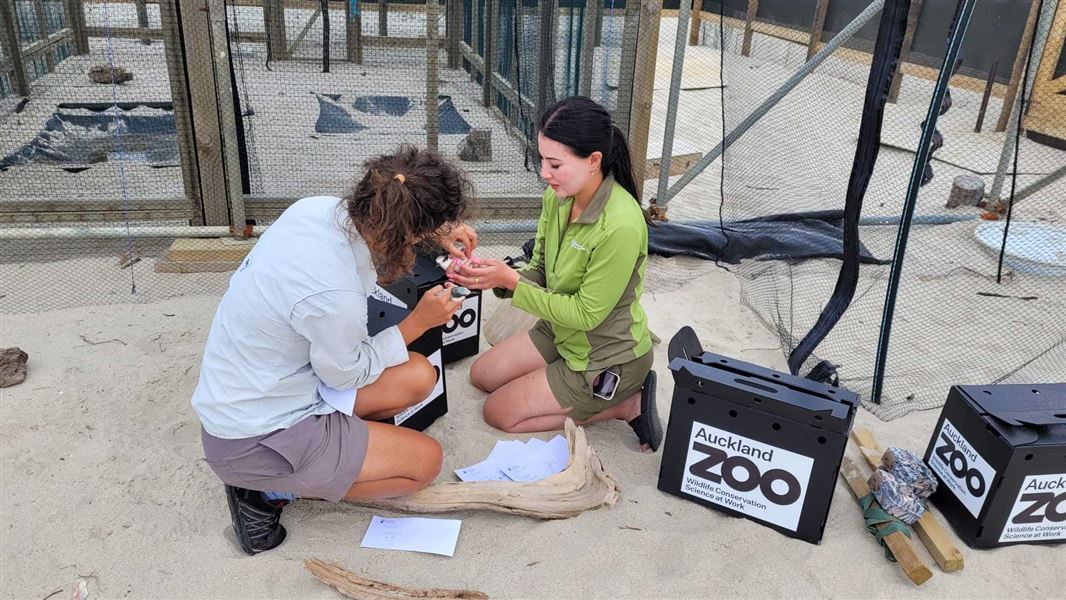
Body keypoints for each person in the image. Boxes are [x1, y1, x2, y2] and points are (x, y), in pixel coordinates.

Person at [191, 145, 476, 555]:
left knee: (419, 375)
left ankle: (337, 453)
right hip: (256, 437)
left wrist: (435, 230)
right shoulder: (332, 294)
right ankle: (266, 493)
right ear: (408, 230)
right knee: (426, 463)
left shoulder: (316, 210)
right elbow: (343, 374)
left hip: (276, 385)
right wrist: (419, 322)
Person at [450, 96, 662, 452]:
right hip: (562, 331)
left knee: (498, 413)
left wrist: (512, 282)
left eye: (554, 164)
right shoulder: (558, 197)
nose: (544, 173)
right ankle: (563, 381)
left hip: (604, 354)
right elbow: (542, 271)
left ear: (594, 161)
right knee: (481, 375)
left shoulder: (621, 224)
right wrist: (493, 277)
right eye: (542, 160)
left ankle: (624, 404)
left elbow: (586, 314)